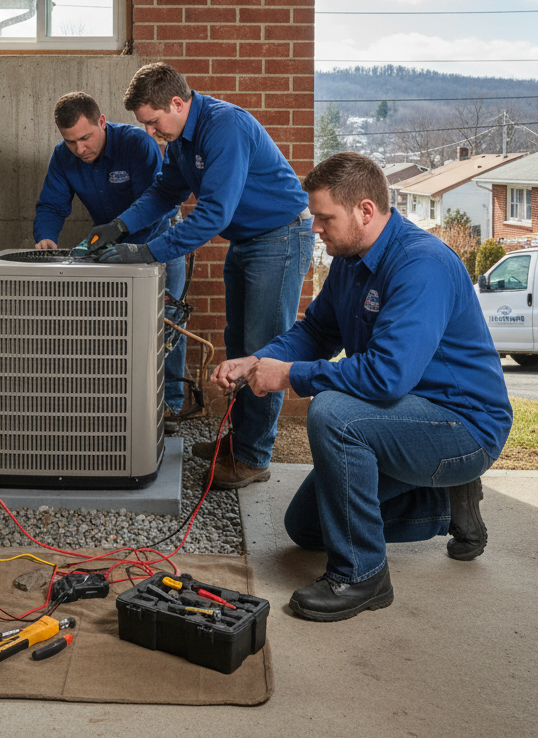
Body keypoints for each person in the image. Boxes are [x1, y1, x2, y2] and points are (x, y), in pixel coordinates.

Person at [213, 152, 512, 622]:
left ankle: (362, 575)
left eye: (324, 217)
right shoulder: (351, 260)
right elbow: (315, 332)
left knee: (333, 413)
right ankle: (445, 506)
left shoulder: (422, 265)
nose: (315, 228)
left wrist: (290, 376)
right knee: (307, 526)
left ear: (365, 211)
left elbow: (386, 375)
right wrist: (260, 359)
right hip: (402, 417)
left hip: (463, 427)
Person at [83, 63, 316, 488]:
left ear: (177, 102)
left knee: (262, 347)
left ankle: (252, 457)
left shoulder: (224, 127)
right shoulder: (182, 138)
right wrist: (119, 226)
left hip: (280, 238)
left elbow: (212, 213)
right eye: (145, 125)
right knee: (240, 342)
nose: (151, 133)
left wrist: (145, 251)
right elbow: (164, 192)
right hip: (248, 241)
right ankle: (240, 442)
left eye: (154, 122)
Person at [33, 91, 187, 411]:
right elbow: (51, 204)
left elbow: (154, 206)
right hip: (110, 244)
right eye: (71, 141)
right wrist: (46, 236)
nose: (80, 149)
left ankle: (169, 405)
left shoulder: (136, 144)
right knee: (116, 322)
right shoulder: (64, 156)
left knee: (166, 323)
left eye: (86, 138)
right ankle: (121, 403)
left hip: (159, 239)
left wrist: (121, 243)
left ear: (102, 122)